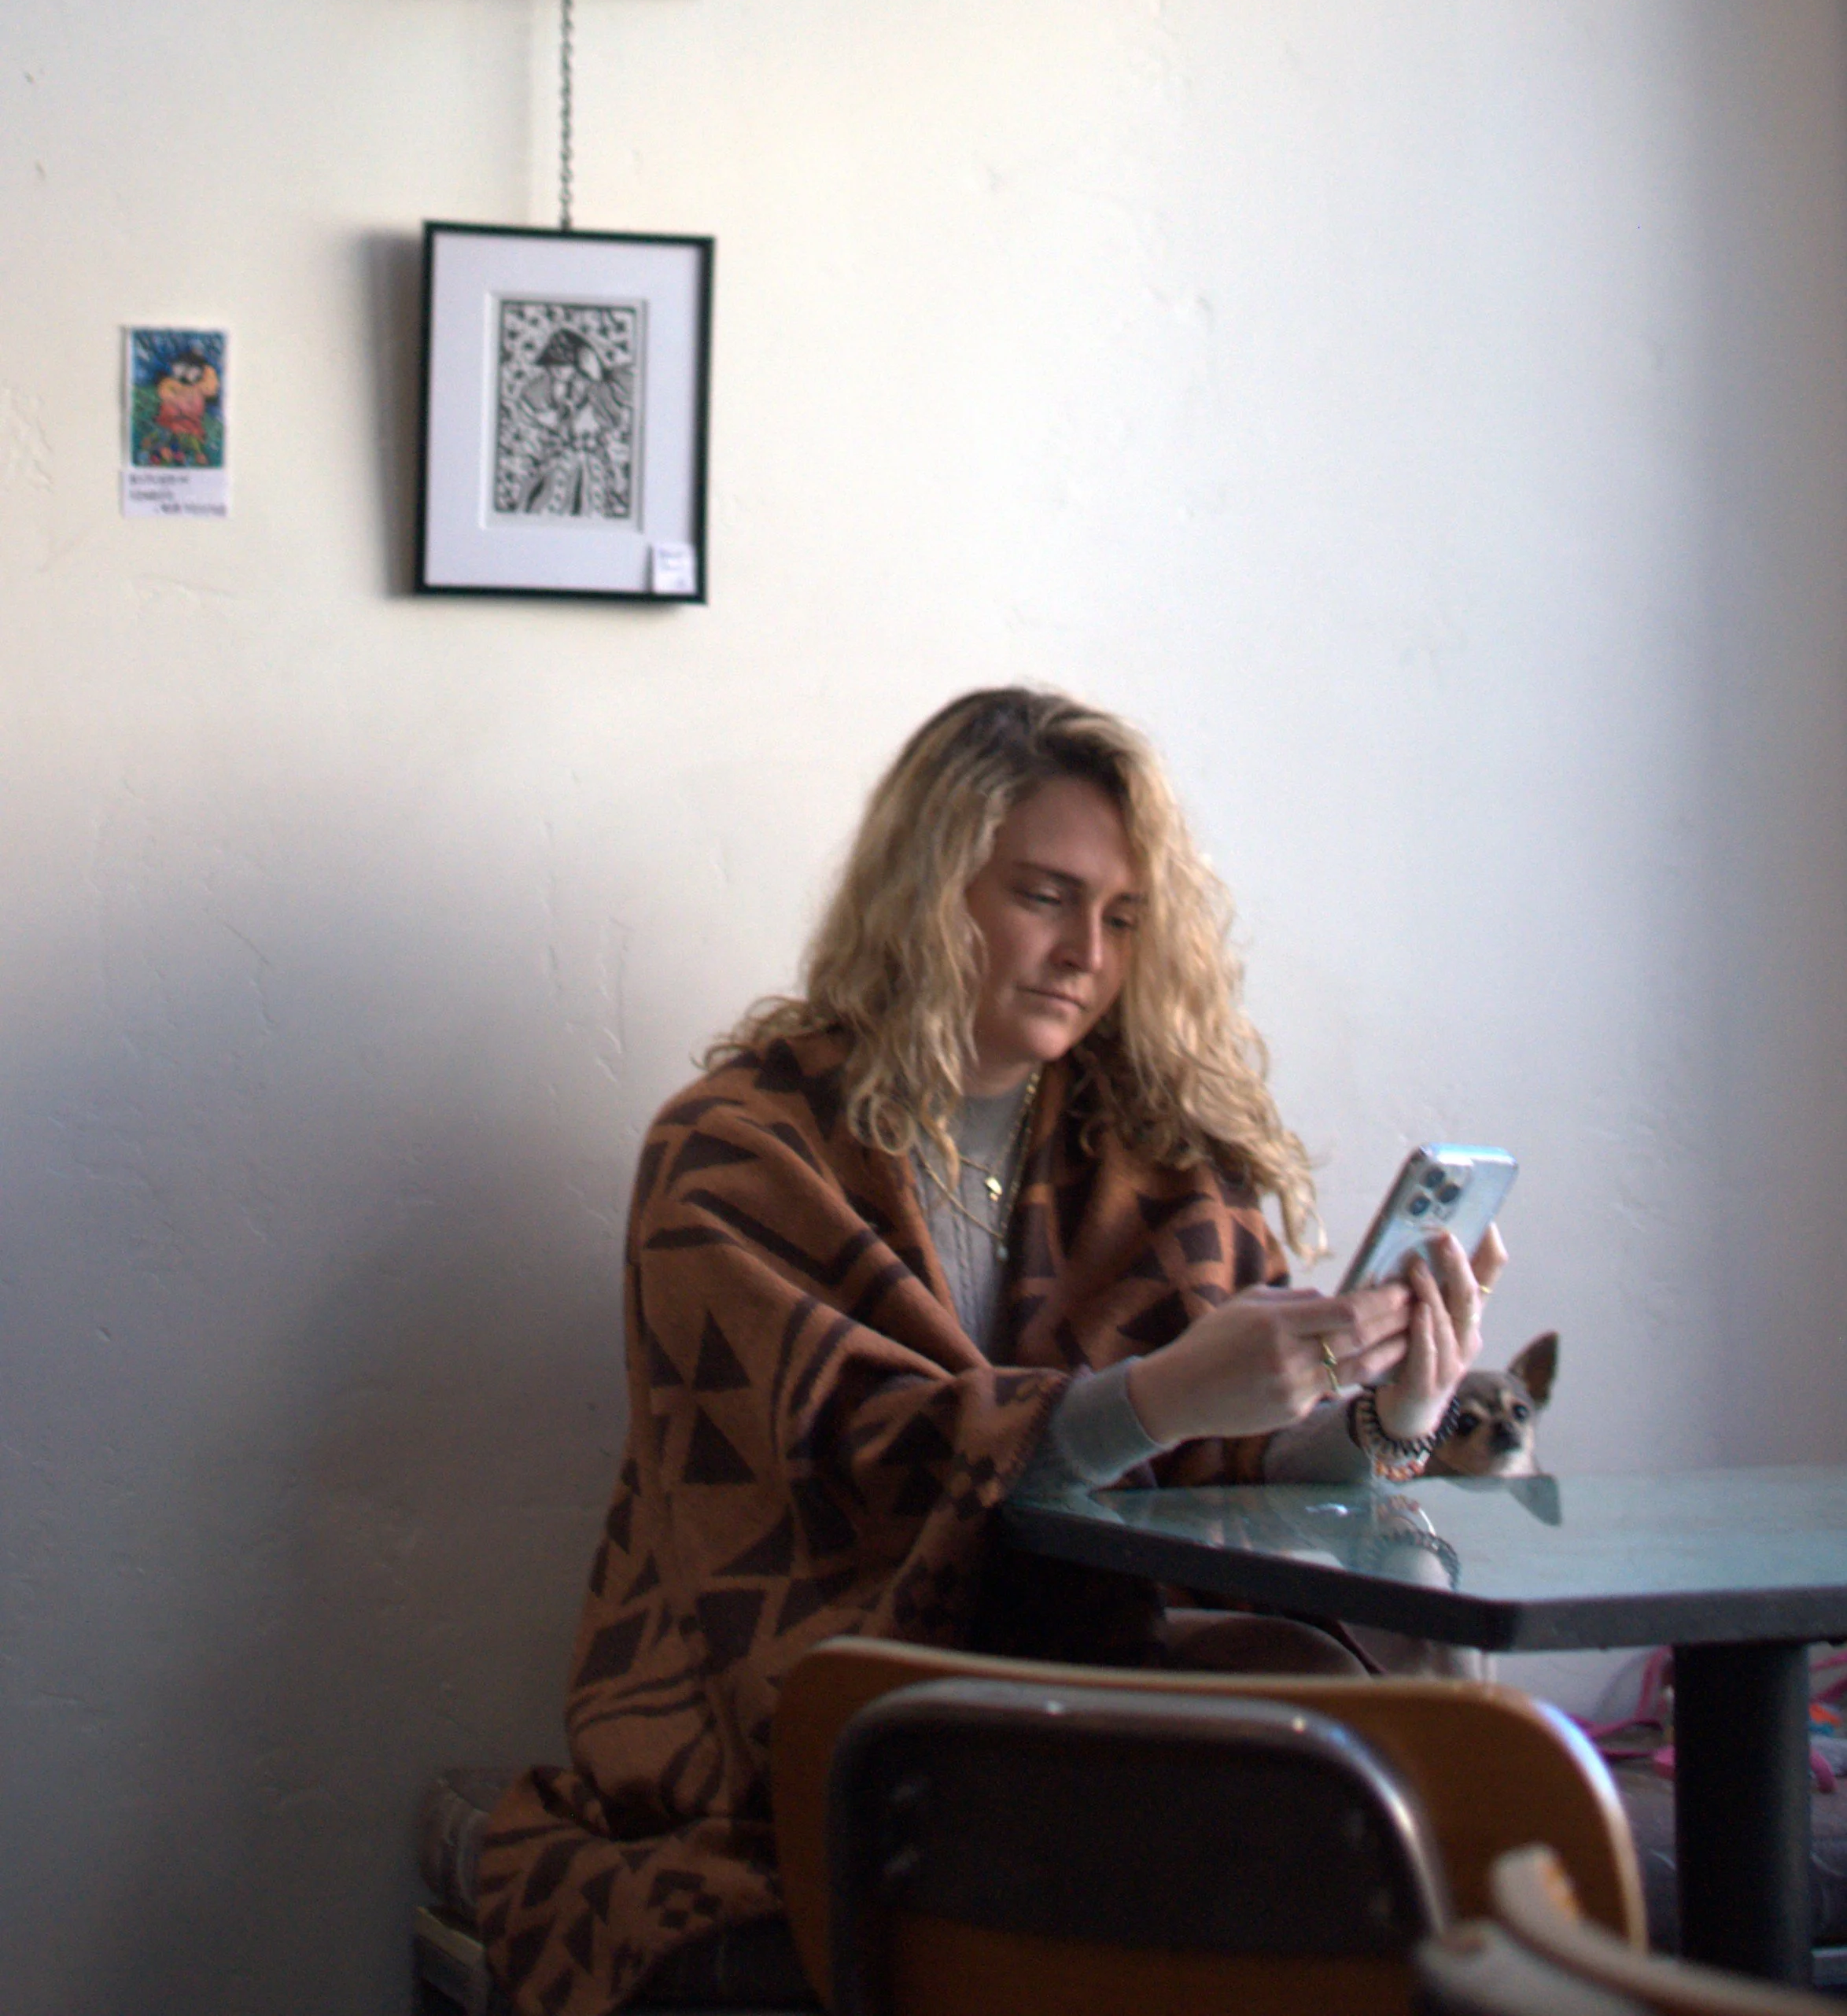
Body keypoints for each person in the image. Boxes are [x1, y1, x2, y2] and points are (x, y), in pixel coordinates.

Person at [477, 687, 1504, 2014]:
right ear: (930, 886)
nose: (1087, 950)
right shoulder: (734, 1154)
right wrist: (1149, 1397)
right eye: (1045, 896)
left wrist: (1389, 1414)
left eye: (1123, 918)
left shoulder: (1160, 1168)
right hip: (801, 1736)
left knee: (1375, 1826)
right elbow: (841, 1471)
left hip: (1119, 1717)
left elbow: (1236, 1485)